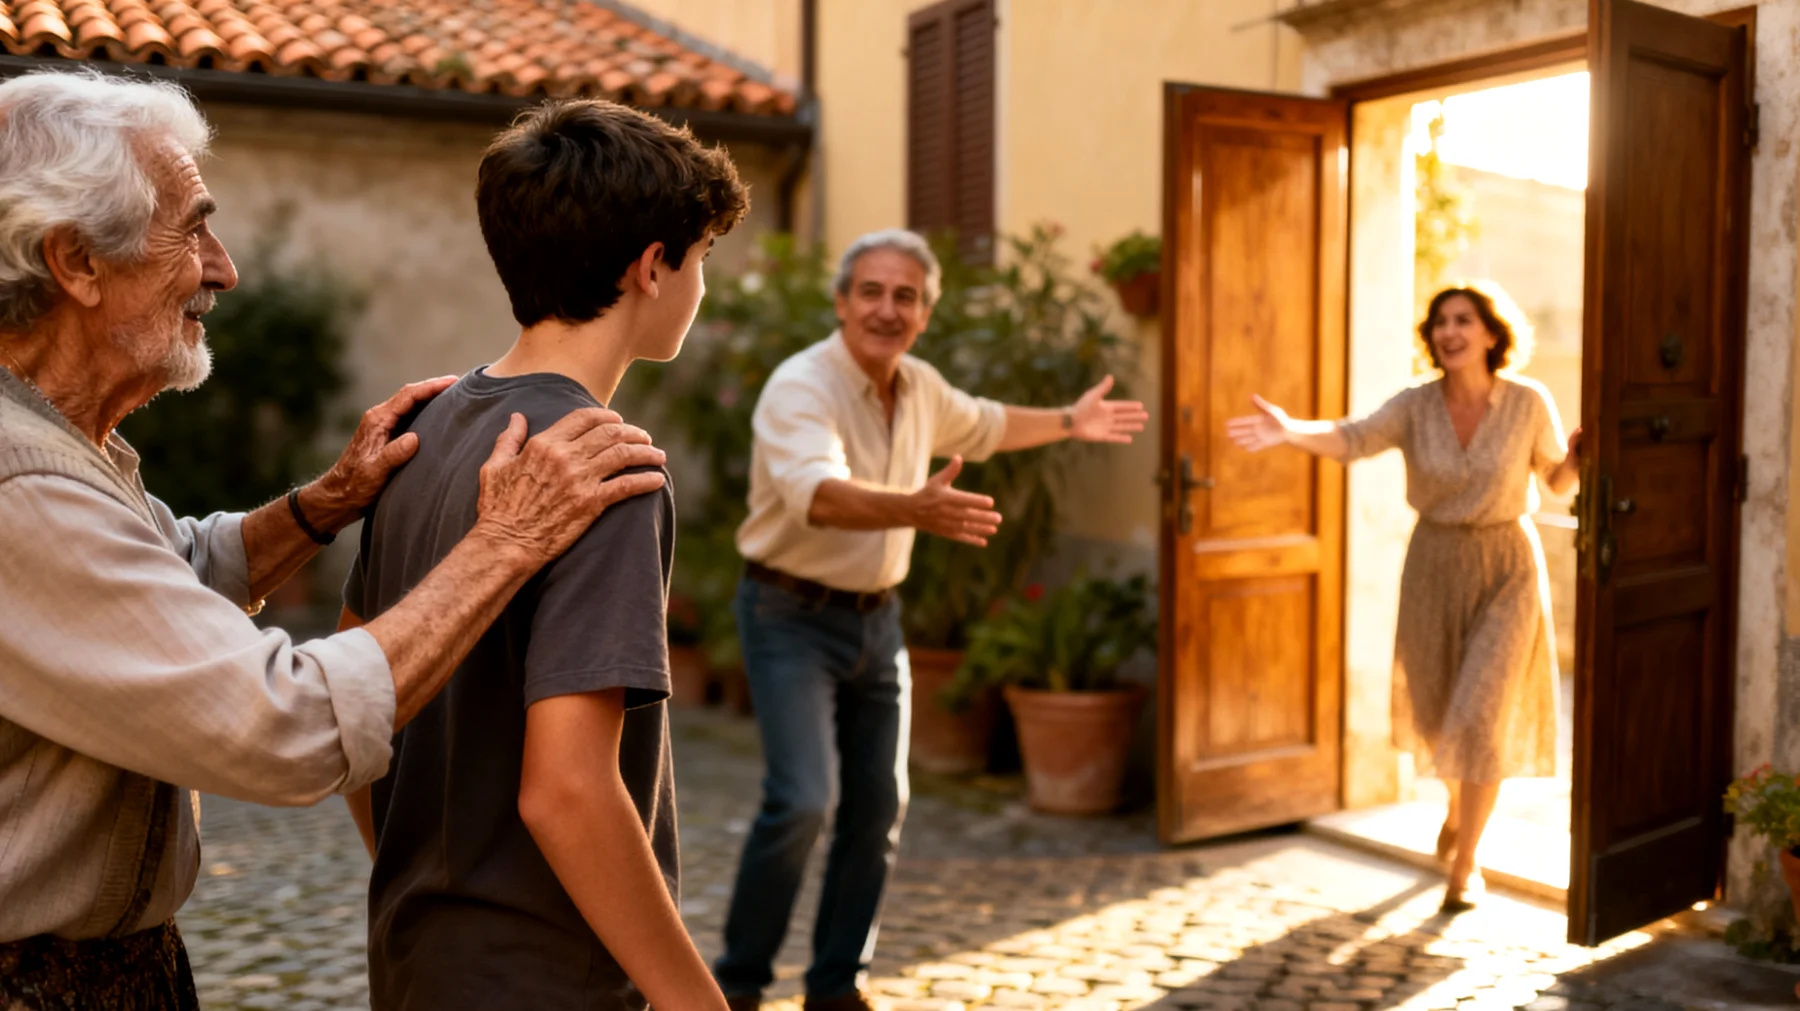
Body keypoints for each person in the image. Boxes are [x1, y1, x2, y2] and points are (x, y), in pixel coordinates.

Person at [0, 71, 667, 1010]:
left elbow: (169, 575)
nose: (223, 266)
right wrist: (506, 537)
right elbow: (282, 723)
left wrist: (324, 504)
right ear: (76, 262)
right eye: (192, 227)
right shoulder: (19, 482)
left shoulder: (61, 448)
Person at [338, 98, 747, 1011]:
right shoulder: (599, 466)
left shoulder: (422, 425)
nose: (701, 283)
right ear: (652, 268)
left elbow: (357, 697)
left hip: (414, 959)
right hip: (547, 982)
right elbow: (566, 789)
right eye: (703, 259)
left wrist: (427, 880)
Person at [715, 228, 1151, 1011]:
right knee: (805, 798)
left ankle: (837, 985)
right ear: (843, 302)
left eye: (906, 296)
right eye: (873, 292)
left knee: (879, 803)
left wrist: (1066, 419)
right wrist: (912, 506)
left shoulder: (918, 386)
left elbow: (985, 424)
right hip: (788, 615)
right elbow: (813, 492)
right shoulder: (800, 385)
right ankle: (739, 983)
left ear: (925, 313)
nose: (888, 308)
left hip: (878, 623)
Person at [1227, 282, 1581, 912]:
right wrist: (1289, 431)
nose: (1449, 331)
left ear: (1491, 334)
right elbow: (1351, 437)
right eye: (1440, 321)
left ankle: (1466, 864)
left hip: (1508, 567)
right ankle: (1457, 808)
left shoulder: (1529, 402)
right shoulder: (1415, 407)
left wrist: (1581, 457)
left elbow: (1554, 481)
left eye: (1463, 320)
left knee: (1482, 716)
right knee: (1439, 716)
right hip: (1434, 566)